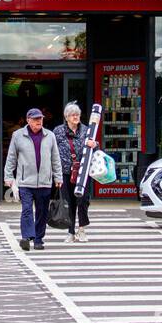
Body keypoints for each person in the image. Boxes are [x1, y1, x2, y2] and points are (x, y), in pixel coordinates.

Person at [3, 108, 62, 251]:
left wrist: (58, 176)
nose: (38, 121)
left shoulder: (50, 136)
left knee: (42, 212)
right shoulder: (18, 135)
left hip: (44, 181)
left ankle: (38, 239)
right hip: (25, 181)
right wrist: (8, 176)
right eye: (35, 119)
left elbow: (55, 158)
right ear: (28, 120)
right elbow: (11, 157)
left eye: (40, 119)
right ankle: (26, 237)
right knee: (27, 209)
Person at [52, 102, 99, 243]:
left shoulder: (86, 130)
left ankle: (82, 229)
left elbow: (95, 149)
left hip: (83, 171)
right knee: (69, 202)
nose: (76, 117)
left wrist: (95, 145)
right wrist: (55, 173)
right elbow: (52, 151)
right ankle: (71, 232)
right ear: (66, 117)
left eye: (77, 114)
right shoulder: (58, 131)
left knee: (83, 201)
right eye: (73, 115)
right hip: (66, 171)